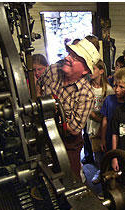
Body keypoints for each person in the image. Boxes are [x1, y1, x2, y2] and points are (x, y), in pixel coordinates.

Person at [37, 35, 101, 183]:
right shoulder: (53, 70)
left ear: (85, 70)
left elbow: (73, 129)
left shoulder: (86, 93)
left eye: (75, 57)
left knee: (71, 179)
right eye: (70, 54)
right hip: (42, 134)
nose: (68, 58)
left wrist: (51, 113)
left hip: (68, 142)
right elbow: (38, 88)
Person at [92, 68, 125, 185]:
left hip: (124, 140)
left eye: (121, 87)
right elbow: (105, 119)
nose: (116, 89)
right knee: (108, 160)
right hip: (110, 137)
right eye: (115, 85)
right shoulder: (109, 100)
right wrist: (103, 138)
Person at [84, 60, 114, 169]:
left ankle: (102, 170)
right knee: (92, 146)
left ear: (101, 71)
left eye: (94, 69)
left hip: (101, 124)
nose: (91, 71)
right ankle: (97, 167)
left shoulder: (108, 90)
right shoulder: (87, 87)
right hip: (89, 123)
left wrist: (96, 117)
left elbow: (110, 110)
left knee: (101, 149)